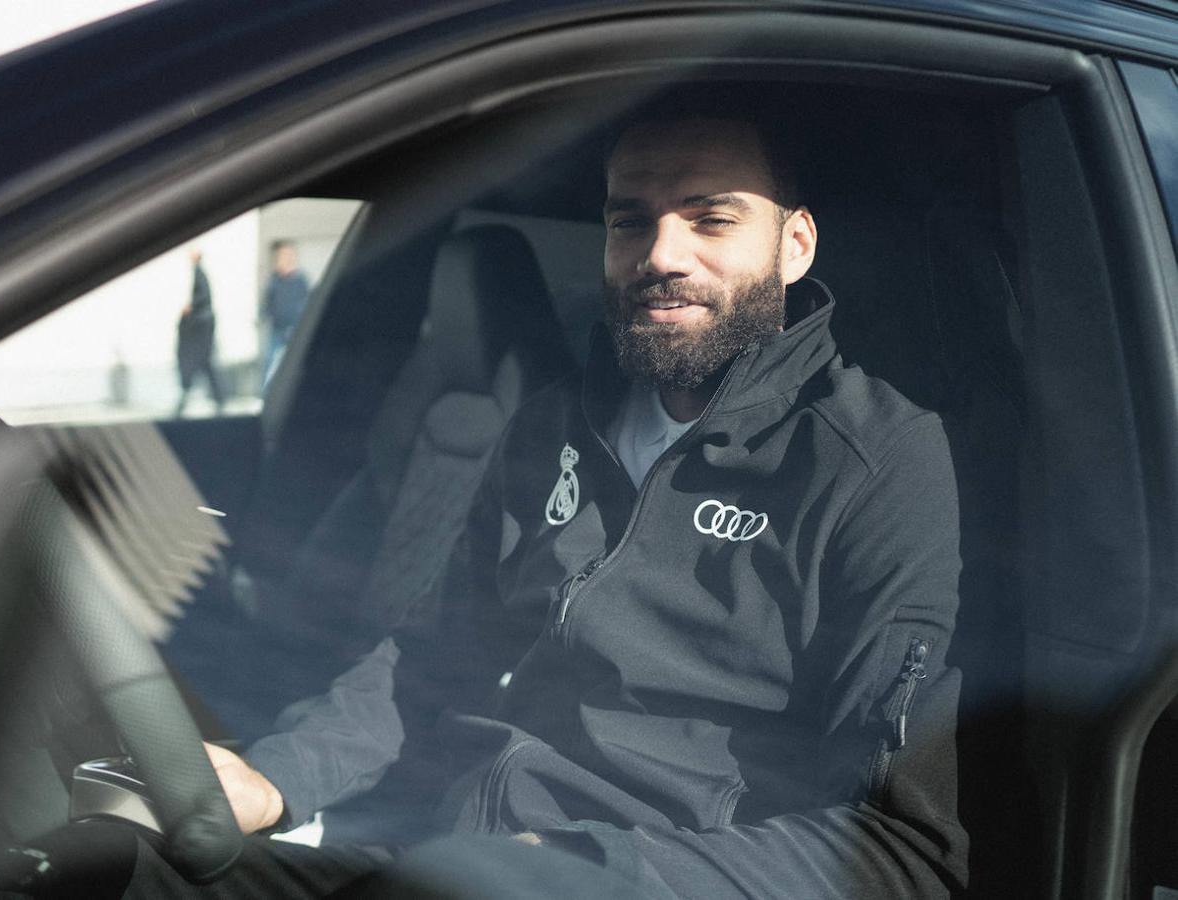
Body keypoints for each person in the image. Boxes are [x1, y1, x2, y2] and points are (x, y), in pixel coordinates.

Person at [130, 99, 966, 898]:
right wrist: (275, 778)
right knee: (114, 865)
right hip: (453, 844)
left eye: (711, 219)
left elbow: (900, 850)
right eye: (629, 221)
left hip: (642, 880)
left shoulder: (873, 460)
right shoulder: (552, 426)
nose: (662, 255)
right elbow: (429, 661)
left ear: (795, 245)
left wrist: (578, 873)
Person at [176, 249, 226, 416]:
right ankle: (217, 398)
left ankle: (216, 398)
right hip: (202, 328)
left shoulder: (200, 274)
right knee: (205, 364)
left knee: (203, 362)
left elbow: (202, 297)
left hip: (201, 328)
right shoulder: (198, 274)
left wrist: (191, 307)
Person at [259, 240, 310, 384]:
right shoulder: (274, 280)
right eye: (282, 255)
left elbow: (308, 301)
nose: (285, 258)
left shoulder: (300, 279)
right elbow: (268, 302)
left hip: (295, 328)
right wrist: (262, 316)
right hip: (277, 329)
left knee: (298, 361)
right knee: (269, 361)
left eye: (288, 255)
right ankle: (265, 395)